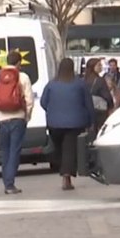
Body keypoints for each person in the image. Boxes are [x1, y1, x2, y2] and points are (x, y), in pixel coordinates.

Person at [41, 58, 94, 191]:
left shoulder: (51, 84)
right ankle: (66, 176)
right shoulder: (80, 84)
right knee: (70, 149)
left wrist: (53, 110)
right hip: (75, 123)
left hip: (54, 124)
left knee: (60, 149)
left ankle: (63, 171)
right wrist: (91, 121)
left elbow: (43, 102)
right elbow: (88, 104)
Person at [0, 50, 33, 195]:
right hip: (18, 118)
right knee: (15, 151)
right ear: (19, 62)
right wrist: (26, 117)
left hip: (2, 119)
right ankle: (10, 183)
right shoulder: (23, 77)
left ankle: (6, 181)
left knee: (5, 151)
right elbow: (29, 100)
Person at [83, 57, 115, 141]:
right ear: (93, 67)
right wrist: (111, 106)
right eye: (99, 65)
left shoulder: (83, 79)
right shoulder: (99, 80)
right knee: (100, 131)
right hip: (99, 111)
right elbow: (107, 96)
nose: (101, 67)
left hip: (86, 109)